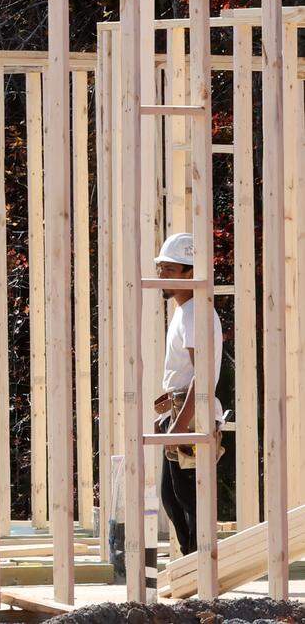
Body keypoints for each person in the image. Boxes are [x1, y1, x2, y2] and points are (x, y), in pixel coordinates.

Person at [152, 232, 224, 556]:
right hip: (182, 410)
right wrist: (167, 412)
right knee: (171, 495)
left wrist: (180, 425)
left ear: (189, 273)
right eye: (161, 268)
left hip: (193, 414)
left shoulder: (196, 312)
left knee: (188, 496)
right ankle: (191, 563)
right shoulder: (184, 311)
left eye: (169, 269)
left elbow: (202, 375)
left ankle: (199, 568)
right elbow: (184, 376)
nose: (161, 276)